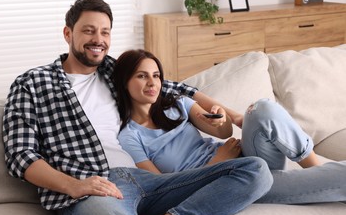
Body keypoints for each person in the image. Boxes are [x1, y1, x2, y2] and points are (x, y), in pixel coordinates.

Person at [2, 0, 273, 215]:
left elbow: (177, 90)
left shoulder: (116, 71)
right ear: (68, 34)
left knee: (256, 170)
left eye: (105, 32)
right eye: (89, 31)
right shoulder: (32, 84)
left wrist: (236, 117)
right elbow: (21, 156)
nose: (98, 40)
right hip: (92, 190)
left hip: (150, 182)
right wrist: (74, 186)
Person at [114, 49, 346, 204]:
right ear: (125, 83)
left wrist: (221, 118)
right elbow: (162, 188)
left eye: (156, 75)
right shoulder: (130, 136)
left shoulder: (178, 105)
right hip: (226, 180)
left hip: (241, 155)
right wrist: (218, 163)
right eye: (142, 76)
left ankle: (312, 164)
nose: (152, 83)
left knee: (261, 108)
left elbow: (223, 132)